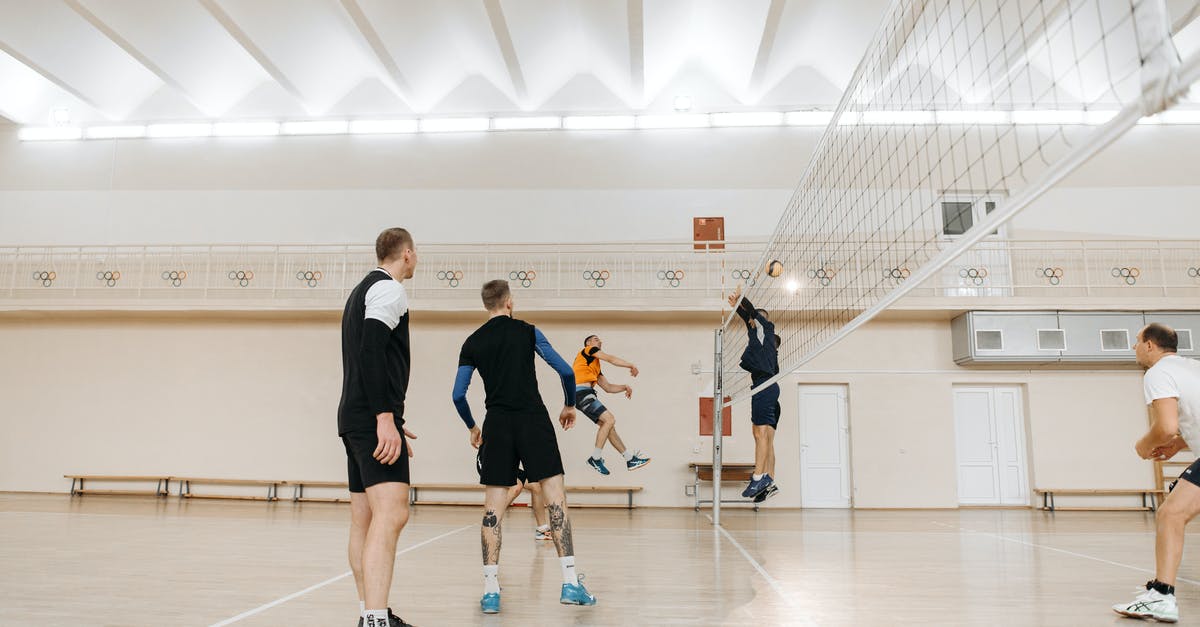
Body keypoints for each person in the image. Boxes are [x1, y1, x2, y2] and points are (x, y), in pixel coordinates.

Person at [452, 279, 597, 614]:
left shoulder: (472, 342)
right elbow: (564, 370)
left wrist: (473, 427)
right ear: (509, 302)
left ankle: (491, 591)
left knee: (493, 509)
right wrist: (569, 404)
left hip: (497, 424)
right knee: (556, 497)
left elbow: (458, 395)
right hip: (533, 419)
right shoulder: (528, 331)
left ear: (486, 304)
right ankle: (571, 583)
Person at [338, 228, 420, 627]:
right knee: (392, 514)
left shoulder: (360, 291)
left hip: (355, 416)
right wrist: (385, 418)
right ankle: (375, 619)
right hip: (371, 418)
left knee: (365, 519)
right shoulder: (389, 290)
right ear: (406, 254)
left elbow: (371, 356)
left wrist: (390, 419)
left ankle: (369, 613)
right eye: (415, 252)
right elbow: (372, 349)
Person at [1113, 323, 1200, 623]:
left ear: (1150, 345)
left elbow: (1165, 426)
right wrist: (1178, 445)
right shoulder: (1192, 368)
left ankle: (1162, 596)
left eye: (1136, 341)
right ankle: (1162, 594)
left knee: (1171, 515)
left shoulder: (1158, 373)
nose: (1134, 347)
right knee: (1172, 513)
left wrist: (1143, 445)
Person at [728, 284, 781, 502]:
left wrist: (742, 300)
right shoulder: (762, 338)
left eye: (751, 319)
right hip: (769, 387)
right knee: (765, 437)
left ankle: (759, 478)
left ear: (756, 320)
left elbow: (752, 315)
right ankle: (769, 481)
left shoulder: (764, 327)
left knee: (760, 435)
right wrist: (738, 307)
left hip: (764, 386)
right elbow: (748, 317)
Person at [572, 335, 651, 475]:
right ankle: (595, 458)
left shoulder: (593, 365)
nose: (600, 341)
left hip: (583, 394)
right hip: (581, 393)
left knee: (608, 426)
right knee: (610, 419)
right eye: (596, 339)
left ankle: (629, 459)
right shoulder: (588, 350)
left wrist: (624, 387)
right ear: (588, 343)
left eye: (599, 340)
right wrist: (631, 365)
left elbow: (608, 387)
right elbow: (611, 359)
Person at [476, 452, 552, 540]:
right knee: (516, 487)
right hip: (487, 462)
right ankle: (491, 521)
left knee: (536, 486)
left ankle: (542, 531)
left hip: (506, 465)